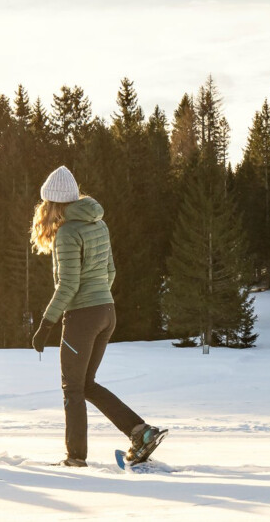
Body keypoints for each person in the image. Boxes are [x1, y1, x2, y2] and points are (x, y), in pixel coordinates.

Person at [29, 165, 167, 467]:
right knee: (86, 384)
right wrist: (99, 300)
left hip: (82, 317)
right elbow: (111, 271)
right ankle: (140, 431)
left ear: (52, 204)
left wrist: (45, 324)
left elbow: (68, 285)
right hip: (107, 312)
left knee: (73, 389)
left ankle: (75, 457)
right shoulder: (97, 225)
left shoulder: (67, 233)